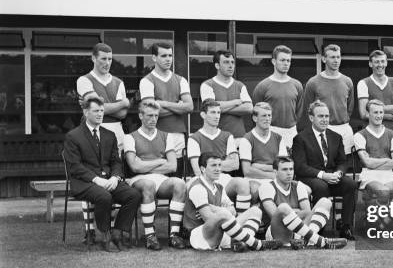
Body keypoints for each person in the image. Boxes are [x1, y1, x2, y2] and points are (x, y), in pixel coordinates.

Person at [63, 96, 141, 251]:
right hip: (84, 182)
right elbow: (75, 167)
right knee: (104, 196)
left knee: (134, 195)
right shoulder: (73, 136)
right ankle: (103, 235)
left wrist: (115, 177)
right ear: (86, 112)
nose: (100, 114)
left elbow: (116, 162)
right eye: (95, 111)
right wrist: (96, 179)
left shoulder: (109, 135)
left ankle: (117, 233)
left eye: (101, 111)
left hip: (108, 179)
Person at [183, 153, 281, 252]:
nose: (218, 169)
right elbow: (208, 218)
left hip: (222, 231)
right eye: (213, 165)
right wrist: (222, 212)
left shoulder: (218, 187)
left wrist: (216, 209)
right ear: (203, 169)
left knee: (256, 211)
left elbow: (233, 211)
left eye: (219, 165)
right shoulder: (198, 188)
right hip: (200, 236)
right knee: (224, 214)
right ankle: (257, 244)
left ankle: (243, 243)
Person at [123, 101, 187, 251]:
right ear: (140, 116)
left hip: (161, 179)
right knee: (148, 185)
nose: (153, 119)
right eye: (149, 115)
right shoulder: (130, 137)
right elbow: (134, 167)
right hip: (138, 180)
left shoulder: (166, 136)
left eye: (156, 116)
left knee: (180, 184)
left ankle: (174, 235)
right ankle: (150, 235)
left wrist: (144, 166)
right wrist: (159, 161)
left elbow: (172, 166)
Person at [292, 100, 357, 240]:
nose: (324, 119)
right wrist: (323, 175)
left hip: (333, 177)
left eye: (327, 116)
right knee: (321, 186)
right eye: (320, 116)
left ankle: (346, 228)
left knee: (350, 184)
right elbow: (300, 167)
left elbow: (342, 162)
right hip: (311, 178)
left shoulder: (336, 137)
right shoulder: (300, 138)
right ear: (311, 118)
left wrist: (338, 173)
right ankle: (318, 229)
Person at [258, 156, 347, 249]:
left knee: (326, 202)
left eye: (291, 169)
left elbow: (307, 212)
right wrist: (293, 212)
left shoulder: (299, 185)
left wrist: (290, 214)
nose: (289, 173)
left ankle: (305, 240)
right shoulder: (267, 187)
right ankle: (318, 241)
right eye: (284, 169)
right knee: (283, 208)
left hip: (299, 231)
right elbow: (275, 215)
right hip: (278, 233)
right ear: (275, 172)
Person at [187, 99, 252, 214]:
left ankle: (241, 222)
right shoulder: (194, 138)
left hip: (224, 179)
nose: (217, 116)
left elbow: (235, 165)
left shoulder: (227, 136)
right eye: (213, 112)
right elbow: (198, 170)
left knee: (243, 183)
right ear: (203, 115)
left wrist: (211, 165)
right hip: (203, 181)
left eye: (218, 113)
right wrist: (225, 162)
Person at [139, 42, 193, 155]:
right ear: (154, 57)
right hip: (155, 134)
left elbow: (189, 107)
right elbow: (149, 111)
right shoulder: (147, 81)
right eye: (163, 56)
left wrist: (163, 104)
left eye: (170, 55)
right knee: (159, 169)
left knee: (178, 170)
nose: (168, 59)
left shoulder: (181, 80)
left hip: (178, 134)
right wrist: (178, 107)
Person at [300, 44, 355, 154]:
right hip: (323, 129)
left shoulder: (347, 81)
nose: (336, 60)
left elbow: (350, 107)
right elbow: (307, 110)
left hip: (344, 128)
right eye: (332, 57)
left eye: (338, 57)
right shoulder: (313, 82)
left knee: (345, 164)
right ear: (324, 59)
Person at [76, 42, 129, 151]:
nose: (107, 63)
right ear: (93, 58)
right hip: (92, 138)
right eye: (103, 59)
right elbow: (97, 108)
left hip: (117, 139)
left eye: (110, 59)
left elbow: (123, 114)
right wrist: (124, 103)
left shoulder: (119, 82)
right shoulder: (84, 80)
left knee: (117, 168)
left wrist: (101, 106)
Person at [353, 99, 393, 218]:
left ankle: (389, 222)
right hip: (369, 175)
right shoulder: (360, 135)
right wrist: (386, 160)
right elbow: (367, 163)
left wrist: (374, 162)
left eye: (381, 112)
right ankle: (377, 223)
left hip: (389, 174)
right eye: (375, 112)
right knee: (383, 192)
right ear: (368, 114)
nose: (379, 116)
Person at [252, 45, 303, 151]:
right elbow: (255, 113)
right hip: (270, 132)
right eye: (282, 60)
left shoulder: (297, 85)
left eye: (288, 60)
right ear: (274, 61)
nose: (286, 63)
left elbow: (299, 111)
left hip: (292, 133)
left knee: (291, 166)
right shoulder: (262, 86)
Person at [200, 49, 252, 140]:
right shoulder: (207, 85)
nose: (231, 66)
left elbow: (249, 108)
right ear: (217, 65)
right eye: (226, 62)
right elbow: (210, 108)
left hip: (239, 138)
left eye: (232, 62)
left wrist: (220, 107)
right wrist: (235, 102)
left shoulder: (240, 85)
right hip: (215, 138)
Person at [239, 102, 288, 183]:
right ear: (255, 118)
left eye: (269, 115)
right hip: (255, 180)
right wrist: (272, 175)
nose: (267, 119)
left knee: (306, 190)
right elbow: (247, 171)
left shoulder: (278, 138)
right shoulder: (247, 139)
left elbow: (284, 166)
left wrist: (259, 166)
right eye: (264, 115)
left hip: (277, 180)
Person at [357, 49, 393, 133]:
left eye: (382, 61)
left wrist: (374, 110)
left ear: (386, 63)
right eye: (377, 62)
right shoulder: (363, 83)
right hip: (371, 133)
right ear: (370, 64)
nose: (380, 64)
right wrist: (388, 116)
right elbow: (363, 114)